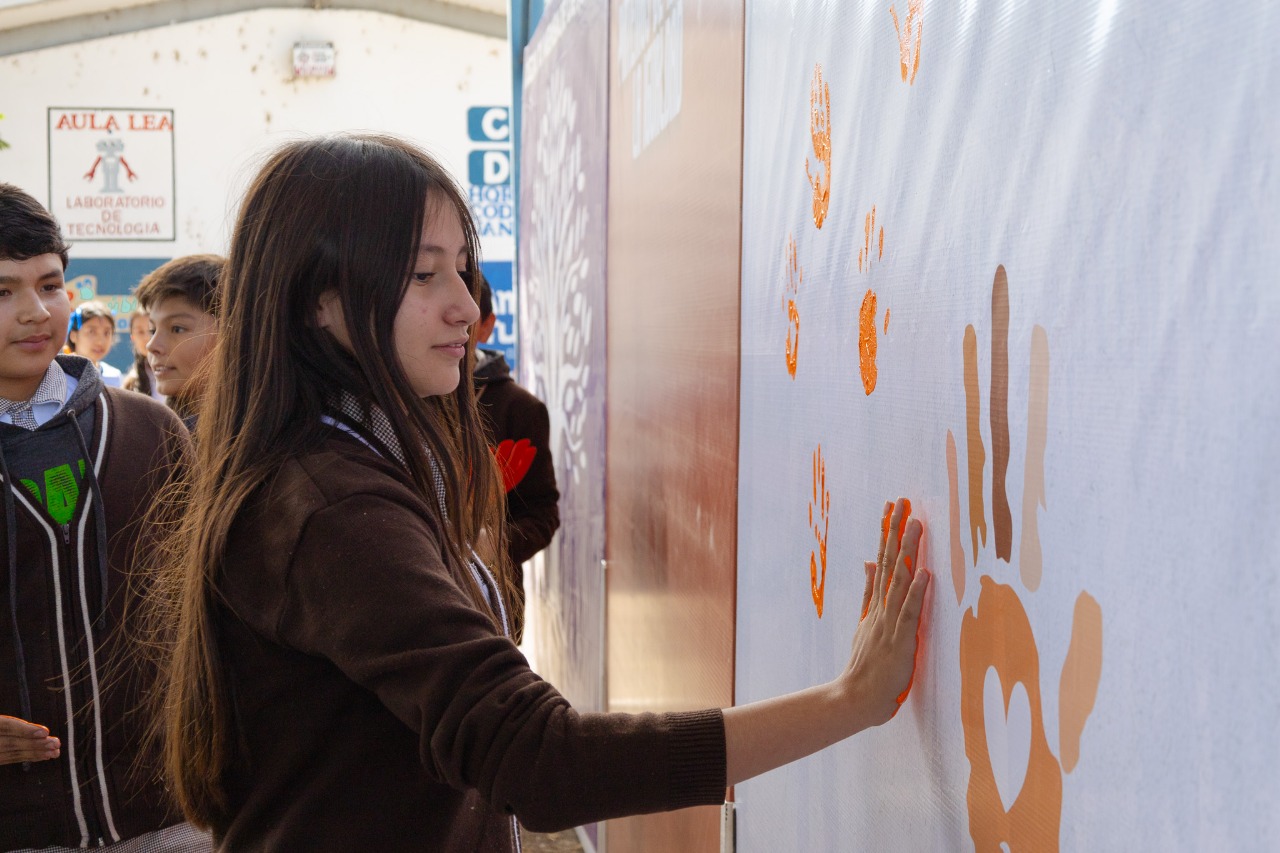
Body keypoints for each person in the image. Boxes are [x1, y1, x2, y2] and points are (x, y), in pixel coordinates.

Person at [153, 134, 930, 851]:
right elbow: (541, 759)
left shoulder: (363, 463)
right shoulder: (331, 507)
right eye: (423, 274)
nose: (463, 303)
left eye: (462, 266)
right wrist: (850, 699)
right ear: (317, 301)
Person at [0, 183, 206, 851]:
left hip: (166, 813)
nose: (35, 312)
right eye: (2, 291)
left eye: (50, 283)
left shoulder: (150, 431)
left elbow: (217, 604)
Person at [471, 271, 559, 642]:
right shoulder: (398, 403)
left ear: (488, 326)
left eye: (468, 316)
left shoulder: (521, 410)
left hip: (492, 614)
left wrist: (490, 542)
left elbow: (542, 514)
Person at [133, 255, 222, 430]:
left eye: (177, 329)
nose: (152, 345)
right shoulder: (150, 437)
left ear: (230, 333)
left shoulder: (267, 442)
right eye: (152, 330)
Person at [67, 300, 123, 387]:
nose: (100, 341)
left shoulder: (114, 377)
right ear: (73, 336)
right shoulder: (60, 374)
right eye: (91, 332)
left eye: (107, 333)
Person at [122, 305, 162, 401]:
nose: (147, 338)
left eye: (152, 331)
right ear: (132, 337)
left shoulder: (180, 376)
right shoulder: (130, 384)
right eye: (140, 332)